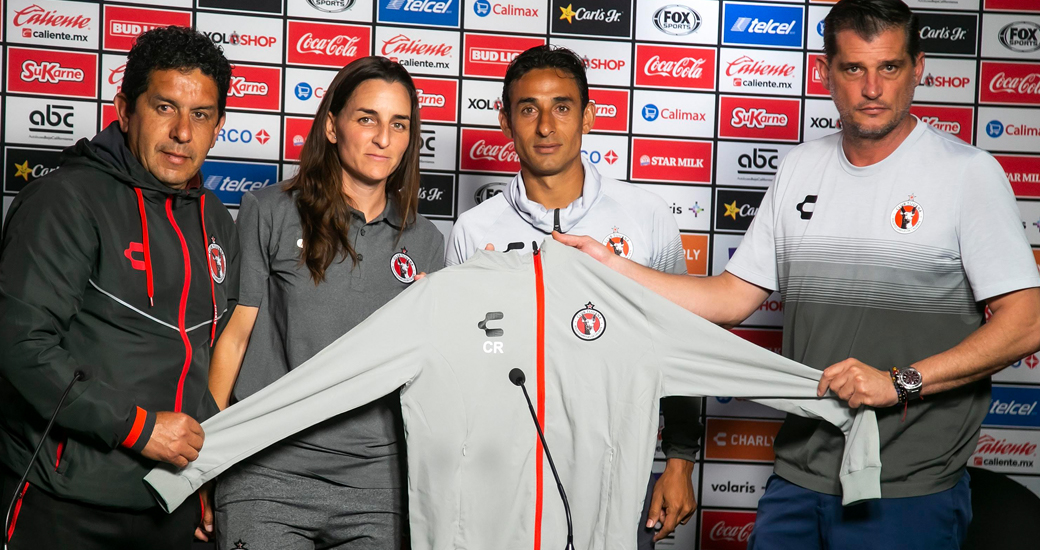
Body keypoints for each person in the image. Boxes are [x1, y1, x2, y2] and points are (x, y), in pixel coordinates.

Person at [555, 0, 1040, 548]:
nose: (873, 88)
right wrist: (612, 267)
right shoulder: (799, 169)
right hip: (799, 477)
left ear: (918, 69)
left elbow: (1026, 322)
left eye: (890, 67)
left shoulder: (967, 175)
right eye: (854, 68)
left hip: (908, 488)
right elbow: (730, 298)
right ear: (825, 73)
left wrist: (897, 383)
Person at [445, 45, 703, 545]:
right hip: (502, 476)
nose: (546, 127)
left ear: (587, 116)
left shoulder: (644, 216)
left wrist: (679, 460)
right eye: (528, 109)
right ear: (504, 121)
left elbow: (681, 344)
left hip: (617, 470)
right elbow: (459, 360)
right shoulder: (474, 231)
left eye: (562, 107)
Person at [0, 26, 236, 549]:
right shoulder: (64, 199)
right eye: (164, 107)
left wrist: (207, 476)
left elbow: (206, 356)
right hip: (63, 498)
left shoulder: (215, 220)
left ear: (218, 125)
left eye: (200, 115)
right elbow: (21, 345)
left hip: (169, 503)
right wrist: (138, 428)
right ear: (125, 110)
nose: (182, 132)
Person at [207, 56, 444, 550]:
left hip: (379, 482)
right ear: (332, 126)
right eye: (367, 119)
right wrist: (205, 459)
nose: (384, 138)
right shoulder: (269, 210)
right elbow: (234, 338)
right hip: (265, 469)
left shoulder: (425, 241)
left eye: (398, 124)